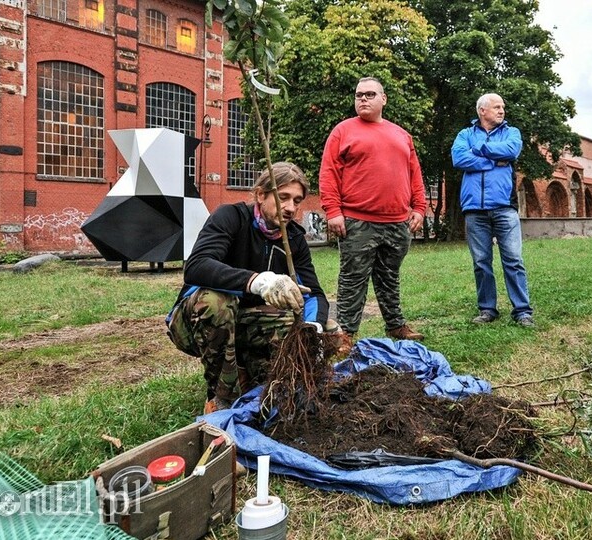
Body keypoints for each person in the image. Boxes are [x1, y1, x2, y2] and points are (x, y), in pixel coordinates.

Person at [166, 162, 336, 414]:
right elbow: (197, 266)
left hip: (250, 321)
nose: (290, 208)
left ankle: (258, 375)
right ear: (260, 195)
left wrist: (314, 327)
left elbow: (314, 294)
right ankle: (221, 396)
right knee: (217, 302)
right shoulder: (231, 218)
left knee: (327, 327)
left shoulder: (294, 239)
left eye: (297, 200)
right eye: (283, 197)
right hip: (197, 322)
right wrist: (257, 281)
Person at [319, 76, 426, 341]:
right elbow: (328, 173)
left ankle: (395, 325)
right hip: (357, 221)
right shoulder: (342, 131)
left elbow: (414, 174)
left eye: (369, 94)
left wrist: (420, 208)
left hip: (398, 222)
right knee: (352, 280)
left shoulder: (401, 135)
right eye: (359, 95)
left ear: (383, 99)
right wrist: (333, 211)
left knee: (389, 277)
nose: (363, 99)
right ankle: (345, 334)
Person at [451, 93, 535, 327]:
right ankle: (487, 309)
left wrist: (479, 149)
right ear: (482, 111)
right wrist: (492, 160)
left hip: (504, 208)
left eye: (503, 107)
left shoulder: (512, 132)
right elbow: (459, 158)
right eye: (496, 107)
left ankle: (522, 311)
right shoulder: (465, 134)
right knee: (481, 262)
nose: (501, 111)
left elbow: (511, 151)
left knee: (514, 260)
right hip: (474, 210)